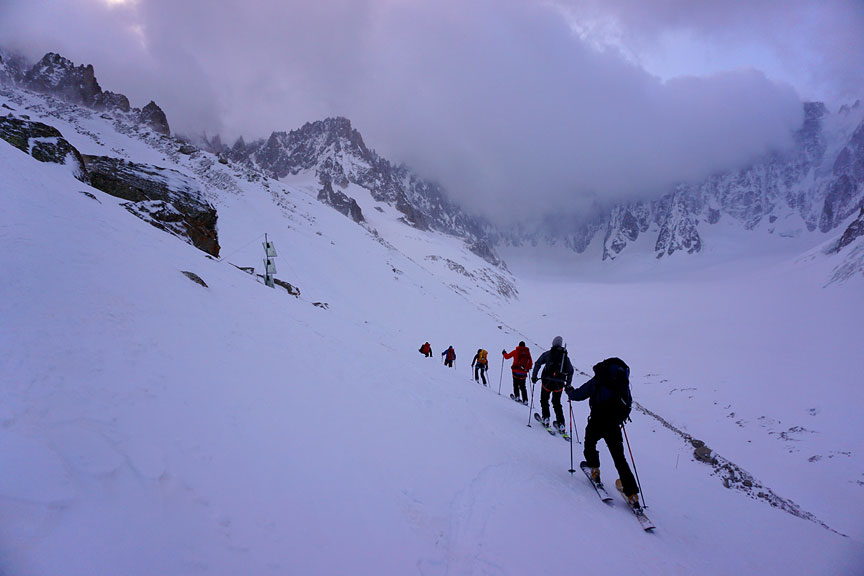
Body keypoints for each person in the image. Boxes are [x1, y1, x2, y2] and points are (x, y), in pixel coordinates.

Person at [564, 357, 640, 507]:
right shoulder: (622, 383)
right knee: (619, 457)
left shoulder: (599, 379)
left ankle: (594, 469)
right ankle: (632, 494)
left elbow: (580, 394)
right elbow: (628, 403)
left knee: (589, 443)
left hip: (597, 420)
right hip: (614, 424)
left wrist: (570, 392)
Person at [531, 336, 573, 433]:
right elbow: (571, 371)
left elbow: (538, 363)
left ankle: (546, 418)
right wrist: (568, 385)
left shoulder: (548, 354)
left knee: (544, 400)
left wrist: (534, 376)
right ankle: (561, 424)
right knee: (557, 402)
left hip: (547, 383)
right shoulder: (565, 358)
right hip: (559, 384)